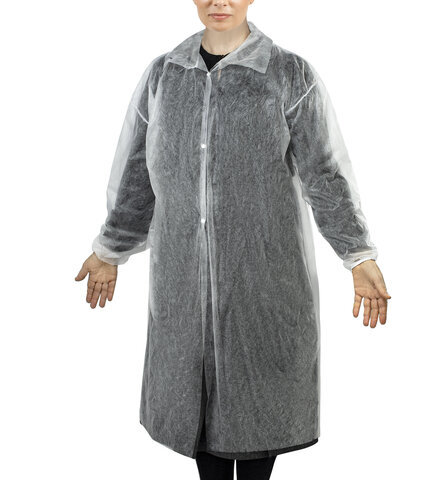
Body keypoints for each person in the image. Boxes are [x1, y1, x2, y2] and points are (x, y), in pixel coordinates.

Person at [75, 1, 391, 479]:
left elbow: (324, 175)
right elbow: (139, 173)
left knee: (259, 413)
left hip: (263, 285)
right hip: (183, 286)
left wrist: (358, 255)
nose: (219, 1)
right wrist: (110, 249)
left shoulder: (288, 75)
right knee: (197, 413)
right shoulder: (164, 76)